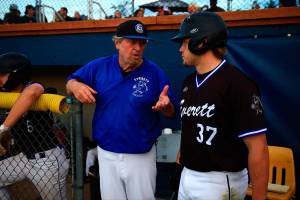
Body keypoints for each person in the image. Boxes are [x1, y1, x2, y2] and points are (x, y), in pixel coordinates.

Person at [66, 19, 177, 200]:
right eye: (132, 41)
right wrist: (75, 86)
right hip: (107, 153)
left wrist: (166, 106)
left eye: (142, 42)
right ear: (117, 43)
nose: (138, 47)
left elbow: (172, 113)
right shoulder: (99, 66)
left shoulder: (154, 72)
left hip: (140, 155)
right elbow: (70, 81)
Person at [171, 12, 269, 199]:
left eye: (185, 42)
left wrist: (259, 197)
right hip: (188, 175)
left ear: (201, 42)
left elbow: (259, 148)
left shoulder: (238, 83)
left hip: (220, 181)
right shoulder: (189, 82)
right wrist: (179, 167)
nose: (180, 49)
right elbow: (189, 131)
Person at [0, 52, 69, 200]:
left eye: (2, 74)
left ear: (16, 74)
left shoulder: (33, 87)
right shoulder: (5, 93)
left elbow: (33, 91)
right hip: (24, 158)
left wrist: (3, 129)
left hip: (47, 160)